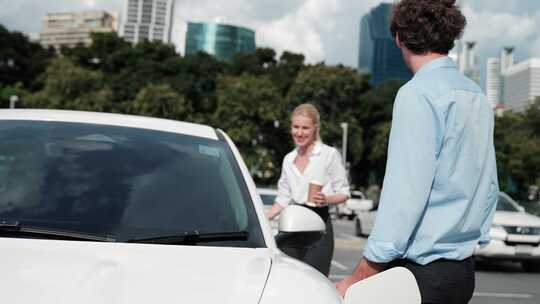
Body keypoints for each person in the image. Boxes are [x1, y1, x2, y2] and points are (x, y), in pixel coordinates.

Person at [335, 1, 499, 303]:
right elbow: (490, 185)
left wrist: (360, 275)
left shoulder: (417, 94)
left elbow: (404, 195)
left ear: (399, 37)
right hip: (462, 272)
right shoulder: (477, 95)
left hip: (418, 275)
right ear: (450, 34)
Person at [267, 103, 350, 276]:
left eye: (305, 128)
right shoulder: (288, 159)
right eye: (295, 127)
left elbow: (344, 193)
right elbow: (282, 198)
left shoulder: (329, 154)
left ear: (315, 129)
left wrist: (326, 199)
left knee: (315, 282)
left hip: (319, 227)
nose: (299, 132)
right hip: (291, 227)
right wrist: (263, 218)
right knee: (289, 280)